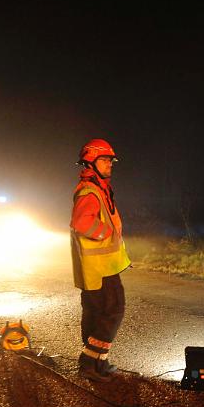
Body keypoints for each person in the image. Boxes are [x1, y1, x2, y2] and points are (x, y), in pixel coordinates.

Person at [70, 138, 132, 381]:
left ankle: (99, 362)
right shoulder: (90, 191)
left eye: (110, 160)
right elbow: (81, 223)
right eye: (105, 160)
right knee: (113, 310)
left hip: (99, 266)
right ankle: (88, 360)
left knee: (96, 312)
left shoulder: (98, 188)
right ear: (91, 161)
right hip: (99, 267)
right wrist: (106, 232)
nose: (110, 164)